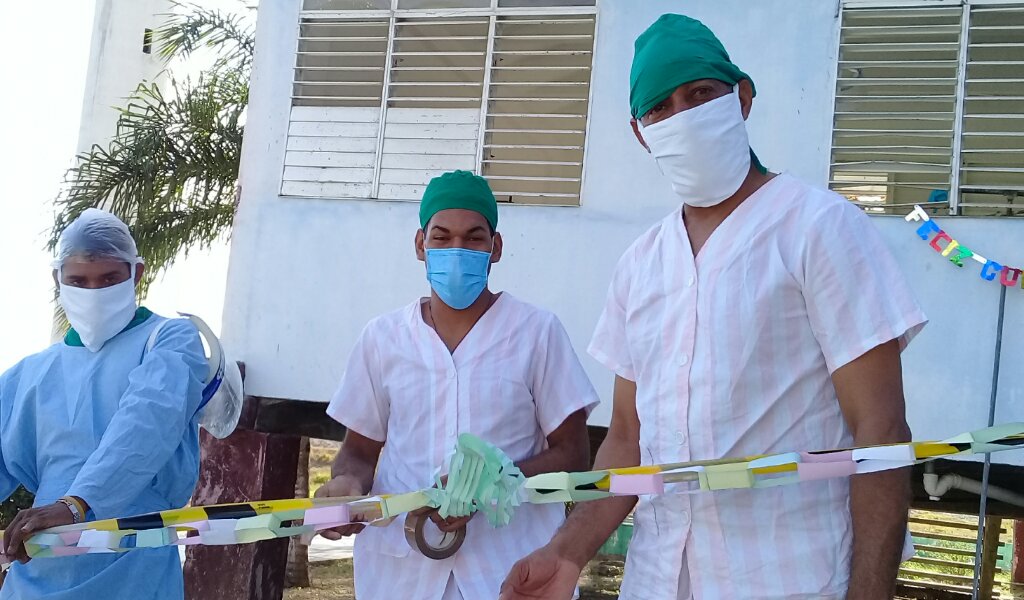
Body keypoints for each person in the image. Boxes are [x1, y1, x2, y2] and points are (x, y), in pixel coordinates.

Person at [500, 14, 927, 600]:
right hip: (658, 578)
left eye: (701, 94)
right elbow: (628, 439)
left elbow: (880, 428)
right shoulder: (641, 263)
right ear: (639, 132)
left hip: (791, 578)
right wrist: (565, 552)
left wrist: (869, 592)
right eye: (660, 108)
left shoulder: (819, 229)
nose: (683, 117)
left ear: (742, 97)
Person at [316, 170, 599, 600]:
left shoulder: (536, 332)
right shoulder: (383, 338)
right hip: (400, 576)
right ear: (420, 245)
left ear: (495, 248)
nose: (457, 250)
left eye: (473, 238)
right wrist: (348, 488)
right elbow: (358, 452)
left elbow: (574, 454)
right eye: (442, 237)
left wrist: (491, 485)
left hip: (509, 571)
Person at [0, 208, 207, 600]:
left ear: (137, 274)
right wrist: (61, 512)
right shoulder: (31, 374)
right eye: (79, 281)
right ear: (57, 279)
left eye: (109, 279)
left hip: (135, 567)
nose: (93, 293)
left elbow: (146, 424)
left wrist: (78, 505)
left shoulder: (170, 342)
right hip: (40, 569)